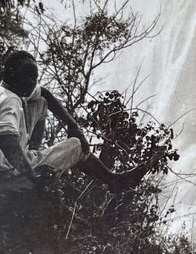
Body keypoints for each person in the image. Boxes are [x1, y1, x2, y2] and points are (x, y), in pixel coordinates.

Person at [0, 50, 156, 190]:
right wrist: (32, 175)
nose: (33, 83)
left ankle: (32, 155)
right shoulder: (11, 101)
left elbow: (44, 93)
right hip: (7, 174)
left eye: (34, 79)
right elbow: (7, 142)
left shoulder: (6, 90)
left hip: (8, 165)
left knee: (41, 101)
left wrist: (73, 126)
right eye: (28, 79)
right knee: (76, 145)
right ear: (13, 76)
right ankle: (112, 181)